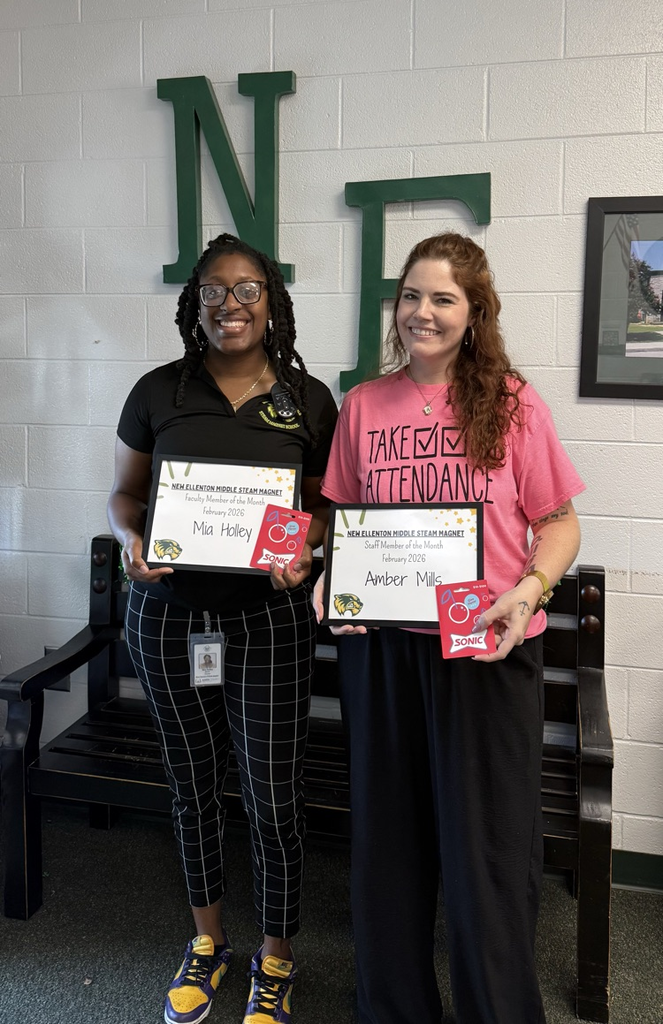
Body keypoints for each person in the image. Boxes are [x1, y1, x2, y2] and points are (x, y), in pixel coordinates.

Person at [314, 233, 584, 1024]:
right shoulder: (364, 405)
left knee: (485, 853)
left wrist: (529, 591)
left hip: (484, 644)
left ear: (474, 313)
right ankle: (393, 1009)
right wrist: (333, 574)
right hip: (384, 651)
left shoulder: (512, 403)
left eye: (442, 298)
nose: (421, 313)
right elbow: (343, 520)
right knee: (388, 846)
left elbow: (559, 525)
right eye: (410, 296)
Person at [107, 233, 338, 1024]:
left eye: (246, 290)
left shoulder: (308, 399)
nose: (228, 304)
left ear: (270, 302)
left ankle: (275, 958)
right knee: (192, 789)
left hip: (269, 619)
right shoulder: (156, 391)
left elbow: (324, 505)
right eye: (212, 290)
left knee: (272, 799)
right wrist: (130, 539)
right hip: (168, 619)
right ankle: (207, 943)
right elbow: (125, 494)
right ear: (194, 302)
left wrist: (304, 545)